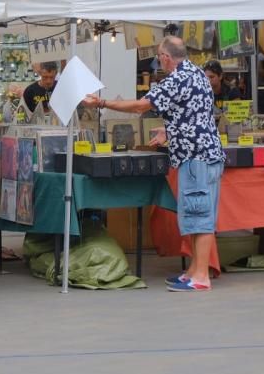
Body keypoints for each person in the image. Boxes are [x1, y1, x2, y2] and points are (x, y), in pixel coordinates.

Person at [83, 36, 225, 292]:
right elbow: (194, 115)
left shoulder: (175, 79)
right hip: (208, 153)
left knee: (199, 215)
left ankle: (201, 276)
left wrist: (101, 102)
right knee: (197, 214)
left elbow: (141, 106)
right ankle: (193, 270)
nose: (158, 60)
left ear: (166, 57)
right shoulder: (198, 74)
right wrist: (170, 130)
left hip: (195, 157)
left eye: (159, 55)